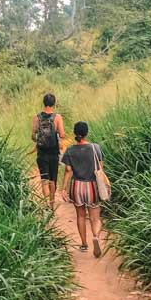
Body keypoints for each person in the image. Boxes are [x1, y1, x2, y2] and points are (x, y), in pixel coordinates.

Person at [61, 121, 104, 257]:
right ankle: (96, 236)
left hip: (77, 186)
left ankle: (84, 244)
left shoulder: (70, 150)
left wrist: (63, 189)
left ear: (75, 133)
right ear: (87, 132)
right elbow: (100, 168)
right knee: (95, 217)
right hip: (92, 185)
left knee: (80, 215)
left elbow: (68, 170)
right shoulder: (95, 148)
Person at [31, 93, 65, 210]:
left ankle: (45, 204)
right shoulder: (57, 117)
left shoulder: (37, 117)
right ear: (54, 103)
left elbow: (33, 135)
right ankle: (51, 204)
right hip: (53, 152)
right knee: (52, 179)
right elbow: (62, 134)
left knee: (44, 179)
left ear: (43, 103)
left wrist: (39, 140)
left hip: (41, 152)